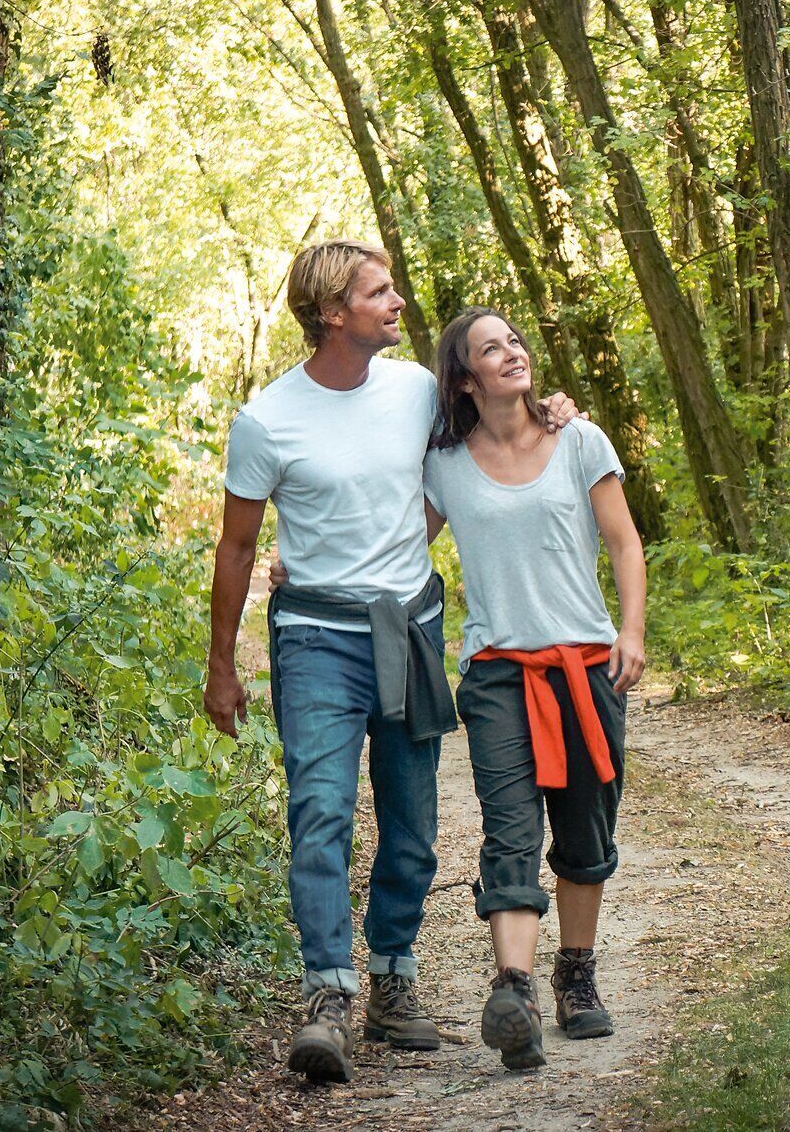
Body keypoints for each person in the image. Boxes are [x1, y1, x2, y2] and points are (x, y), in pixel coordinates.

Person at [202, 241, 578, 1084]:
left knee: (412, 820)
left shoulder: (415, 390)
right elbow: (236, 547)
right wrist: (221, 665)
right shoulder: (267, 419)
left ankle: (393, 979)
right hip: (315, 636)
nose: (397, 301)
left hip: (408, 628)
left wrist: (555, 408)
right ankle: (327, 994)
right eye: (379, 292)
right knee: (322, 810)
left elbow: (496, 429)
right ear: (333, 312)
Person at [421, 309, 646, 1072]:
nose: (512, 352)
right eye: (492, 348)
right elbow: (394, 543)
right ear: (465, 379)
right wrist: (304, 562)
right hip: (496, 674)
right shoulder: (445, 464)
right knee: (509, 828)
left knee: (585, 828)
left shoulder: (579, 439)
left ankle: (575, 975)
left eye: (514, 340)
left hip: (588, 667)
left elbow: (624, 541)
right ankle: (512, 993)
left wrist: (632, 632)